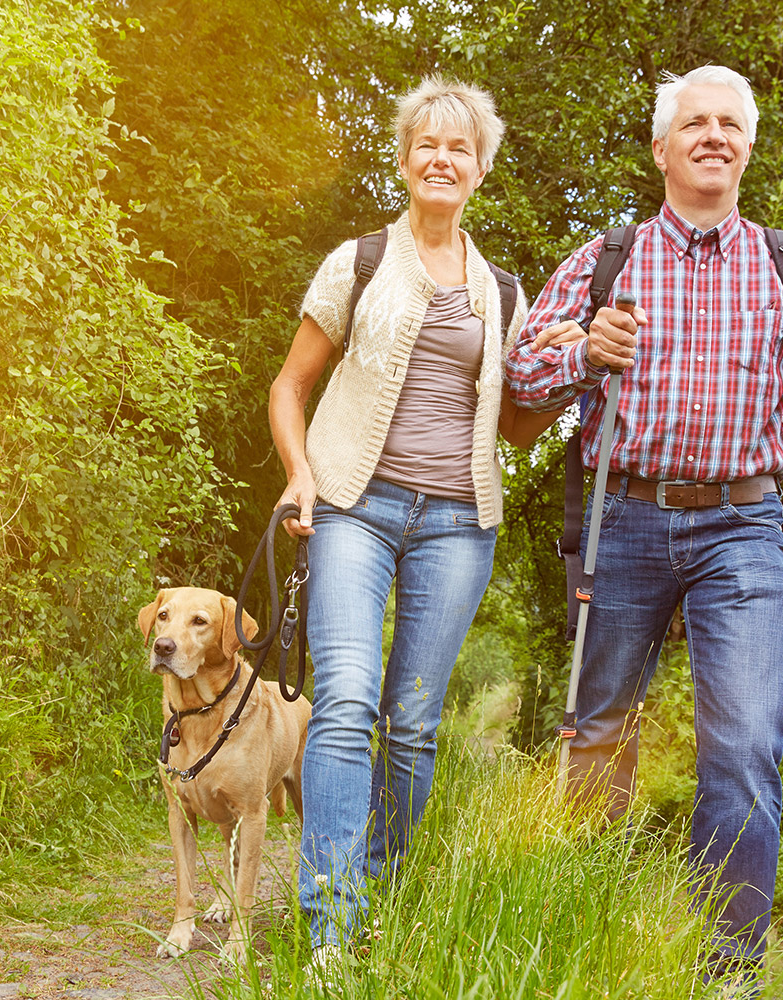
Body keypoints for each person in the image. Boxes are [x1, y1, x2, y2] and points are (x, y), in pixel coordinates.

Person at [504, 65, 783, 979]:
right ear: (663, 148)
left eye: (729, 124)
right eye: (694, 123)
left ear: (746, 145)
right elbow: (520, 379)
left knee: (742, 747)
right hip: (620, 517)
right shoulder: (606, 260)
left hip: (743, 529)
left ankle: (725, 971)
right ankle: (593, 940)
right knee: (596, 736)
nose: (713, 135)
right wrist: (586, 352)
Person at [269, 76, 569, 971]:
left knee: (410, 721)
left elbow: (515, 427)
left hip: (458, 521)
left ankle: (379, 900)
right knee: (348, 699)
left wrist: (562, 379)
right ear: (405, 162)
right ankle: (329, 929)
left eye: (460, 149)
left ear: (480, 170)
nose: (443, 160)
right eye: (428, 146)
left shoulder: (505, 293)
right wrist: (298, 478)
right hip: (355, 505)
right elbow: (289, 387)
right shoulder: (357, 261)